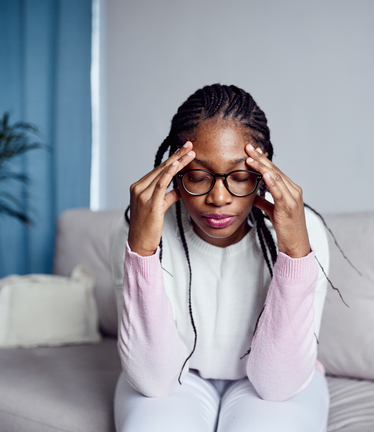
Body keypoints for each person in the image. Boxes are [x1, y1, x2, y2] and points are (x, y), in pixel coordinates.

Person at [111, 84, 331, 431]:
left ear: (263, 175)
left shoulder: (306, 232)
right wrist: (142, 252)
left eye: (241, 177)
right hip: (175, 379)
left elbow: (277, 386)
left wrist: (294, 255)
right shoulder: (139, 229)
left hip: (274, 385)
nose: (218, 197)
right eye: (198, 176)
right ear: (175, 172)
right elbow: (153, 381)